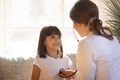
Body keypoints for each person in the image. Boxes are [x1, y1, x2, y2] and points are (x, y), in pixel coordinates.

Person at [70, 0, 120, 80]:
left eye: (74, 22)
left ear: (78, 23)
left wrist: (72, 77)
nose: (74, 27)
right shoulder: (113, 39)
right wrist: (73, 75)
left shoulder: (86, 44)